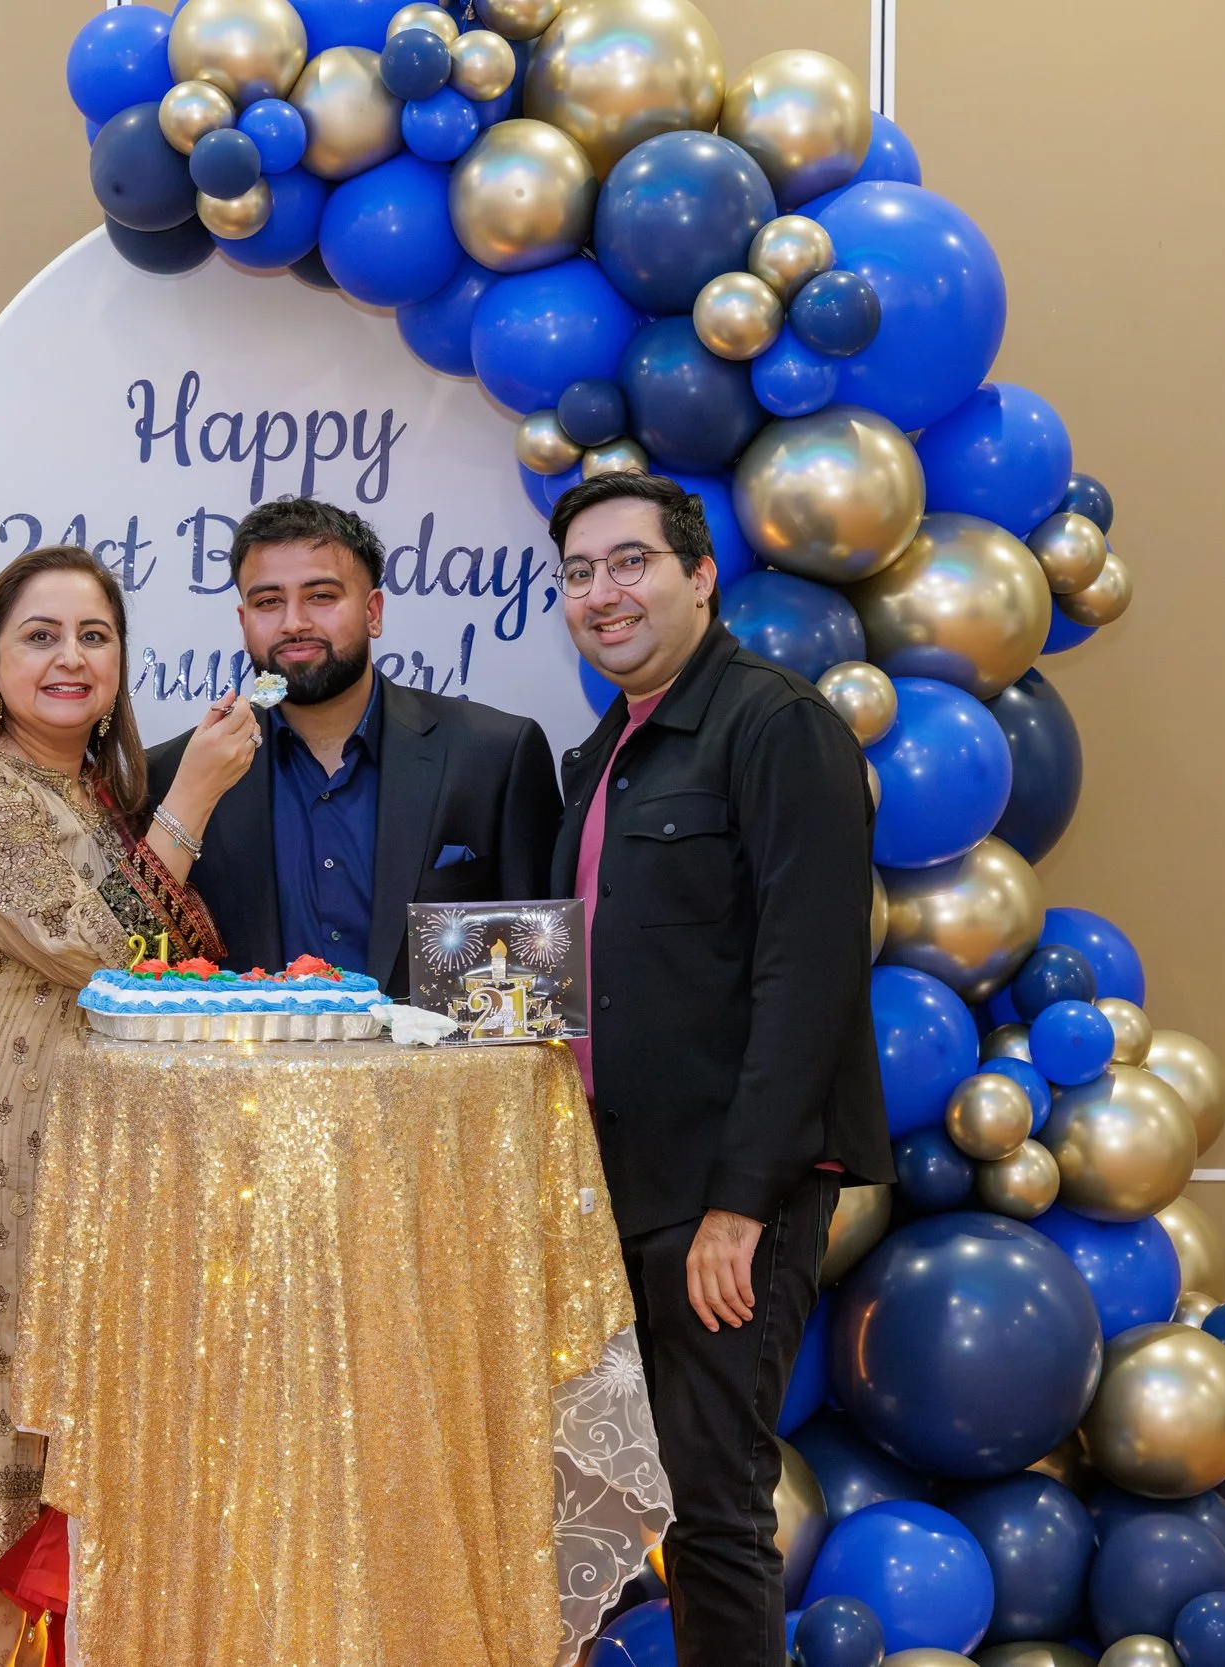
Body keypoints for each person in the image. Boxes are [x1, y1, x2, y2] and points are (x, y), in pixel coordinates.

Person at [0, 544, 252, 1661]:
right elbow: (96, 949)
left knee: (81, 1500)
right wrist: (189, 803)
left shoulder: (89, 795)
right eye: (42, 634)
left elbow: (181, 972)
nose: (72, 656)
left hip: (90, 1179)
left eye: (95, 635)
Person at [546, 471, 891, 1665]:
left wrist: (740, 1204)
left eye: (630, 561)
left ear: (700, 574)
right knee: (615, 1505)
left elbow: (807, 981)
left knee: (712, 1511)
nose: (603, 592)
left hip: (721, 1200)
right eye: (580, 573)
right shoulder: (604, 754)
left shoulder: (774, 723)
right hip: (611, 1192)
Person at [145, 496, 563, 995]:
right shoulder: (176, 775)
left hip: (438, 1072)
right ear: (243, 622)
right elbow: (138, 964)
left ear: (373, 612)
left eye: (321, 596)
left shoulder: (493, 756)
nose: (294, 622)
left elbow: (537, 987)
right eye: (268, 602)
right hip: (248, 1072)